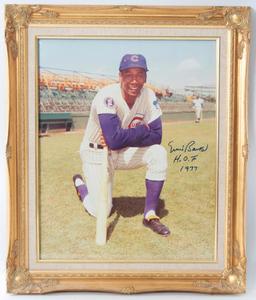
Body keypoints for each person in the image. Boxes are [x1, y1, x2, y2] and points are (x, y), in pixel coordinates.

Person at [73, 54, 170, 237]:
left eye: (140, 74)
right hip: (97, 154)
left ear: (145, 77)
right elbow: (113, 140)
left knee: (158, 152)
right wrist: (142, 130)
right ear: (120, 76)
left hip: (124, 152)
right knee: (102, 211)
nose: (134, 80)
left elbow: (157, 136)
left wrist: (121, 136)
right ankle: (81, 186)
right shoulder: (106, 95)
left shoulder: (148, 95)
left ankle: (149, 215)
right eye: (128, 74)